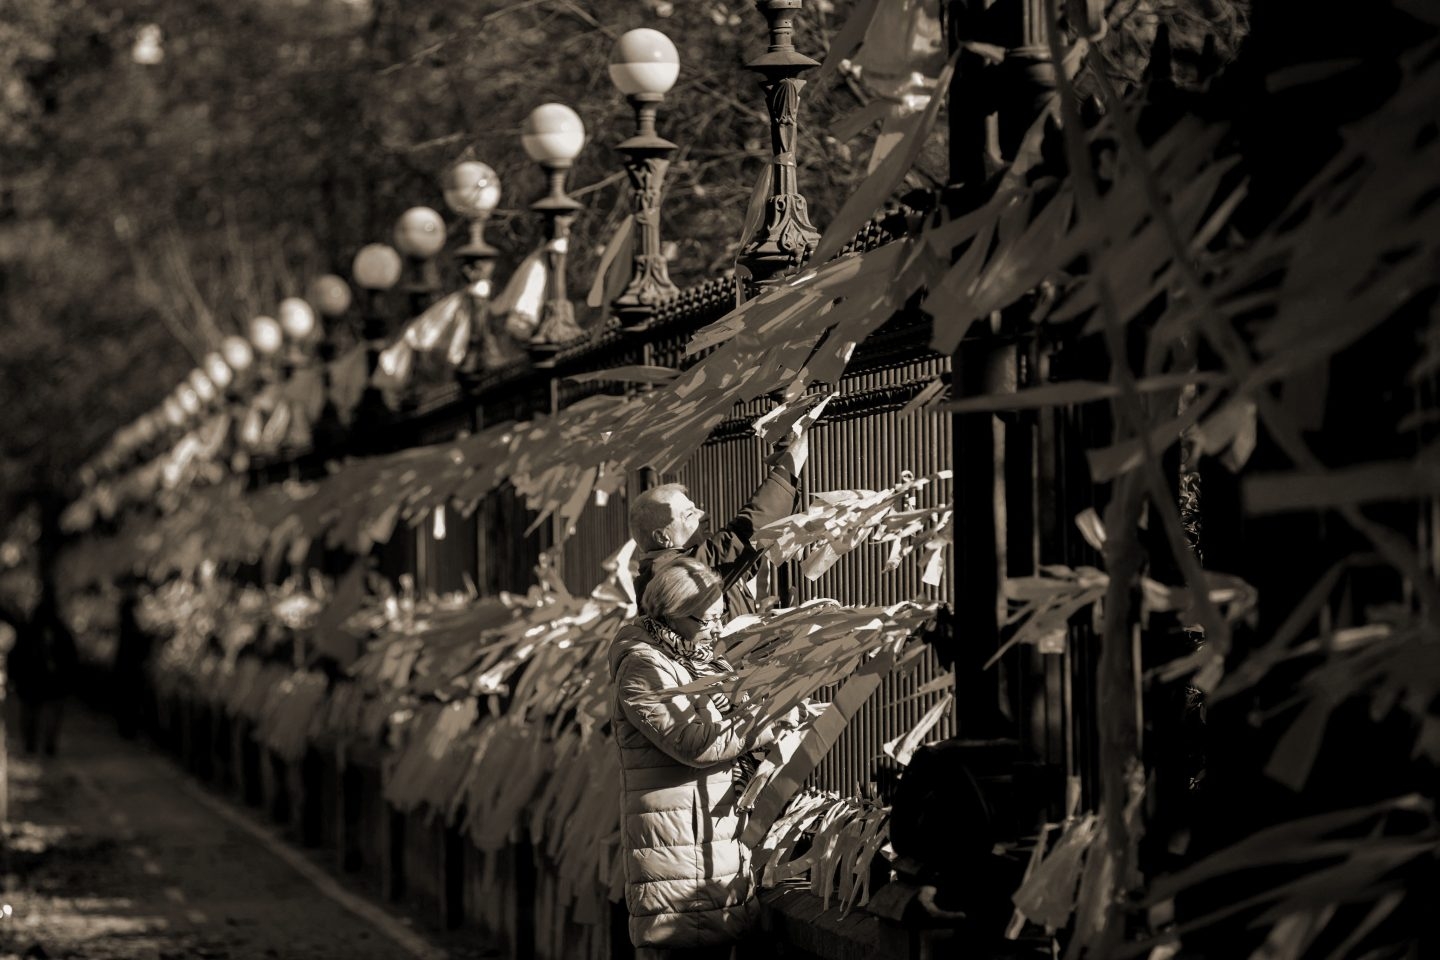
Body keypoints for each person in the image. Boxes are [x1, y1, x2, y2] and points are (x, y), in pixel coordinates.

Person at [609, 558, 803, 960]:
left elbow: (736, 720)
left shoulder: (701, 661)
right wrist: (767, 721)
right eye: (708, 619)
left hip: (707, 844)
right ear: (674, 614)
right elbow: (694, 743)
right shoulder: (643, 666)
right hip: (675, 850)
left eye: (721, 617)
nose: (718, 629)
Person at [628, 428, 810, 621]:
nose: (705, 515)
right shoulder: (674, 573)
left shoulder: (673, 569)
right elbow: (743, 536)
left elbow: (746, 552)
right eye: (690, 514)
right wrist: (793, 460)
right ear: (663, 537)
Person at [8, 588, 78, 756]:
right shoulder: (61, 631)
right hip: (52, 681)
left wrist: (14, 677)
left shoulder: (27, 630)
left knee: (32, 712)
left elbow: (15, 655)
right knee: (50, 712)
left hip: (31, 681)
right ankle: (48, 744)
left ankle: (33, 743)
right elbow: (71, 656)